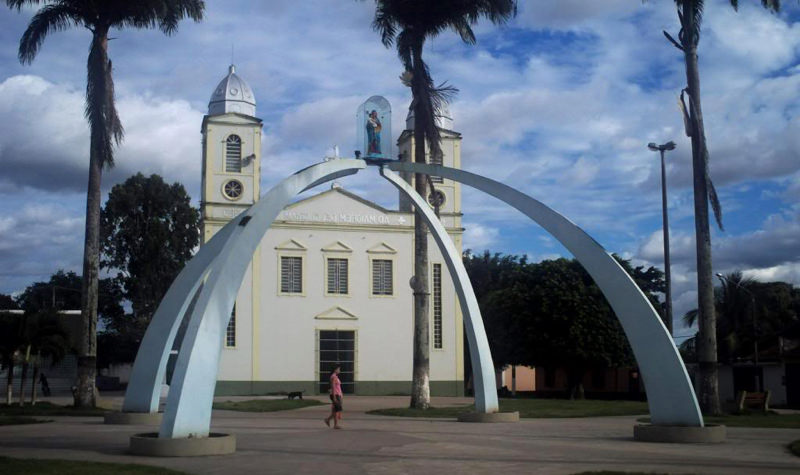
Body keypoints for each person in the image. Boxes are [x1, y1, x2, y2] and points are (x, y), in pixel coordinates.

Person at [324, 365, 343, 429]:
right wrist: (334, 397)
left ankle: (329, 421)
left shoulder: (335, 377)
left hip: (338, 395)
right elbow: (333, 387)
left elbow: (338, 387)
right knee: (337, 410)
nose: (339, 370)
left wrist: (341, 394)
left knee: (335, 410)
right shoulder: (333, 377)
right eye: (338, 369)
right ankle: (333, 423)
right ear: (335, 370)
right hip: (335, 395)